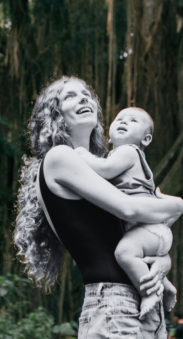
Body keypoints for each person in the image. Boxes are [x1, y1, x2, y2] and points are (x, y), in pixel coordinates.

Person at [14, 76, 183, 339]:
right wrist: (177, 204)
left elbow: (133, 235)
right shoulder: (59, 157)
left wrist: (162, 261)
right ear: (55, 115)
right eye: (70, 96)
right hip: (114, 307)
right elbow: (130, 210)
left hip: (140, 304)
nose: (83, 98)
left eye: (86, 94)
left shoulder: (103, 174)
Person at [75, 108, 177, 319]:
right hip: (146, 231)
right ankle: (166, 286)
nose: (124, 122)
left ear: (146, 139)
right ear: (109, 136)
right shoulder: (120, 156)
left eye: (133, 121)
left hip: (149, 229)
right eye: (119, 119)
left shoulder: (128, 152)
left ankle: (149, 293)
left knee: (124, 253)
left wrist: (82, 154)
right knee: (138, 257)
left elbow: (103, 170)